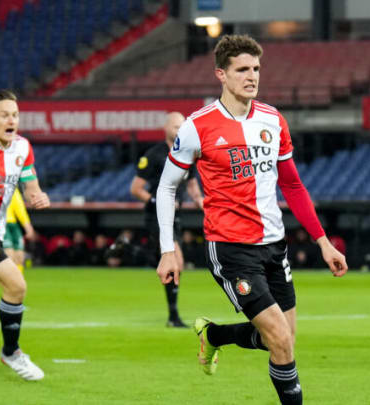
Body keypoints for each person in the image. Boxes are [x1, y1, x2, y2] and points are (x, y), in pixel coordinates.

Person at [155, 35, 347, 405]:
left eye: (256, 68)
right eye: (242, 69)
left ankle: (214, 337)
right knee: (278, 336)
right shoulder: (198, 126)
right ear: (221, 75)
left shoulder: (272, 119)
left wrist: (323, 241)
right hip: (230, 248)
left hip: (274, 246)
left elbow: (292, 184)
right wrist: (167, 250)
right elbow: (166, 188)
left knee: (283, 338)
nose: (252, 76)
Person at [0, 90, 50, 380]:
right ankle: (12, 352)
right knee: (16, 285)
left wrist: (38, 196)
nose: (12, 120)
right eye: (5, 115)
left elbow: (30, 186)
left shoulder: (23, 148)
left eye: (15, 115)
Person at [130, 112, 204, 328]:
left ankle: (134, 252)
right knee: (176, 261)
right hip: (157, 215)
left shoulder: (187, 154)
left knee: (176, 264)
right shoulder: (154, 155)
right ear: (166, 129)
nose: (179, 130)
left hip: (176, 216)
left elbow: (191, 183)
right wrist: (156, 201)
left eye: (182, 126)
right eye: (175, 126)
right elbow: (135, 189)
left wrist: (199, 200)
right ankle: (173, 316)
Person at [0, 188, 35, 311]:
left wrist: (27, 225)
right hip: (0, 225)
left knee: (19, 259)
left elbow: (19, 206)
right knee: (1, 263)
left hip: (14, 225)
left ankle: (15, 298)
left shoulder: (13, 186)